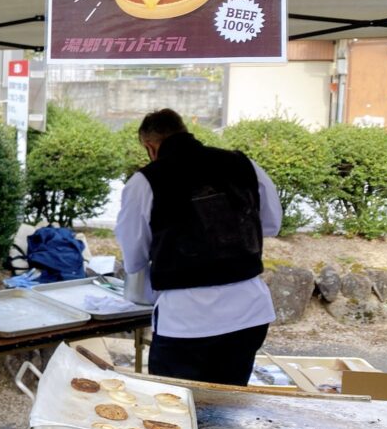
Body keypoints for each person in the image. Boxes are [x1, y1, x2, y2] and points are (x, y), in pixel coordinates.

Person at [115, 108, 281, 387]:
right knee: (226, 406)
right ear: (185, 132)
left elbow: (134, 258)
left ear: (150, 147)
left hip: (186, 320)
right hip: (248, 312)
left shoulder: (146, 181)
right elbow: (271, 224)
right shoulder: (243, 164)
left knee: (175, 409)